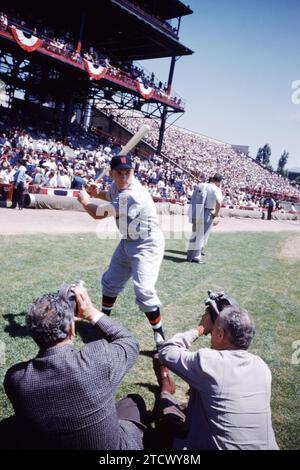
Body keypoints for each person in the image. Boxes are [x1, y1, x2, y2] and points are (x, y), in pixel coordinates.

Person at [3, 282, 147, 450]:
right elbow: (129, 342)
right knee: (133, 402)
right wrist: (92, 312)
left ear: (33, 334)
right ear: (72, 328)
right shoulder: (98, 359)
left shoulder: (16, 379)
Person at [155, 293, 279, 450]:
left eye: (213, 330)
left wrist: (200, 329)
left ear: (220, 334)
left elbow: (166, 351)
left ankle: (165, 387)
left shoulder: (211, 362)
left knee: (167, 412)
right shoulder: (262, 367)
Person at [78, 155, 168, 350]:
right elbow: (109, 195)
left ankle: (159, 334)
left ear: (133, 173)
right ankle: (103, 323)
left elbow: (98, 213)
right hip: (128, 240)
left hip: (147, 243)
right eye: (120, 172)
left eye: (128, 172)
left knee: (144, 290)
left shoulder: (132, 193)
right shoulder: (118, 187)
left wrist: (86, 201)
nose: (125, 176)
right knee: (110, 282)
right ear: (111, 174)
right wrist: (97, 193)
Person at [186, 174, 223, 264]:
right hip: (208, 211)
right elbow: (219, 202)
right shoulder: (216, 189)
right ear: (219, 181)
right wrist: (217, 214)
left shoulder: (201, 185)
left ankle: (190, 255)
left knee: (195, 233)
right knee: (202, 235)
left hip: (197, 210)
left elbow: (193, 199)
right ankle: (196, 257)